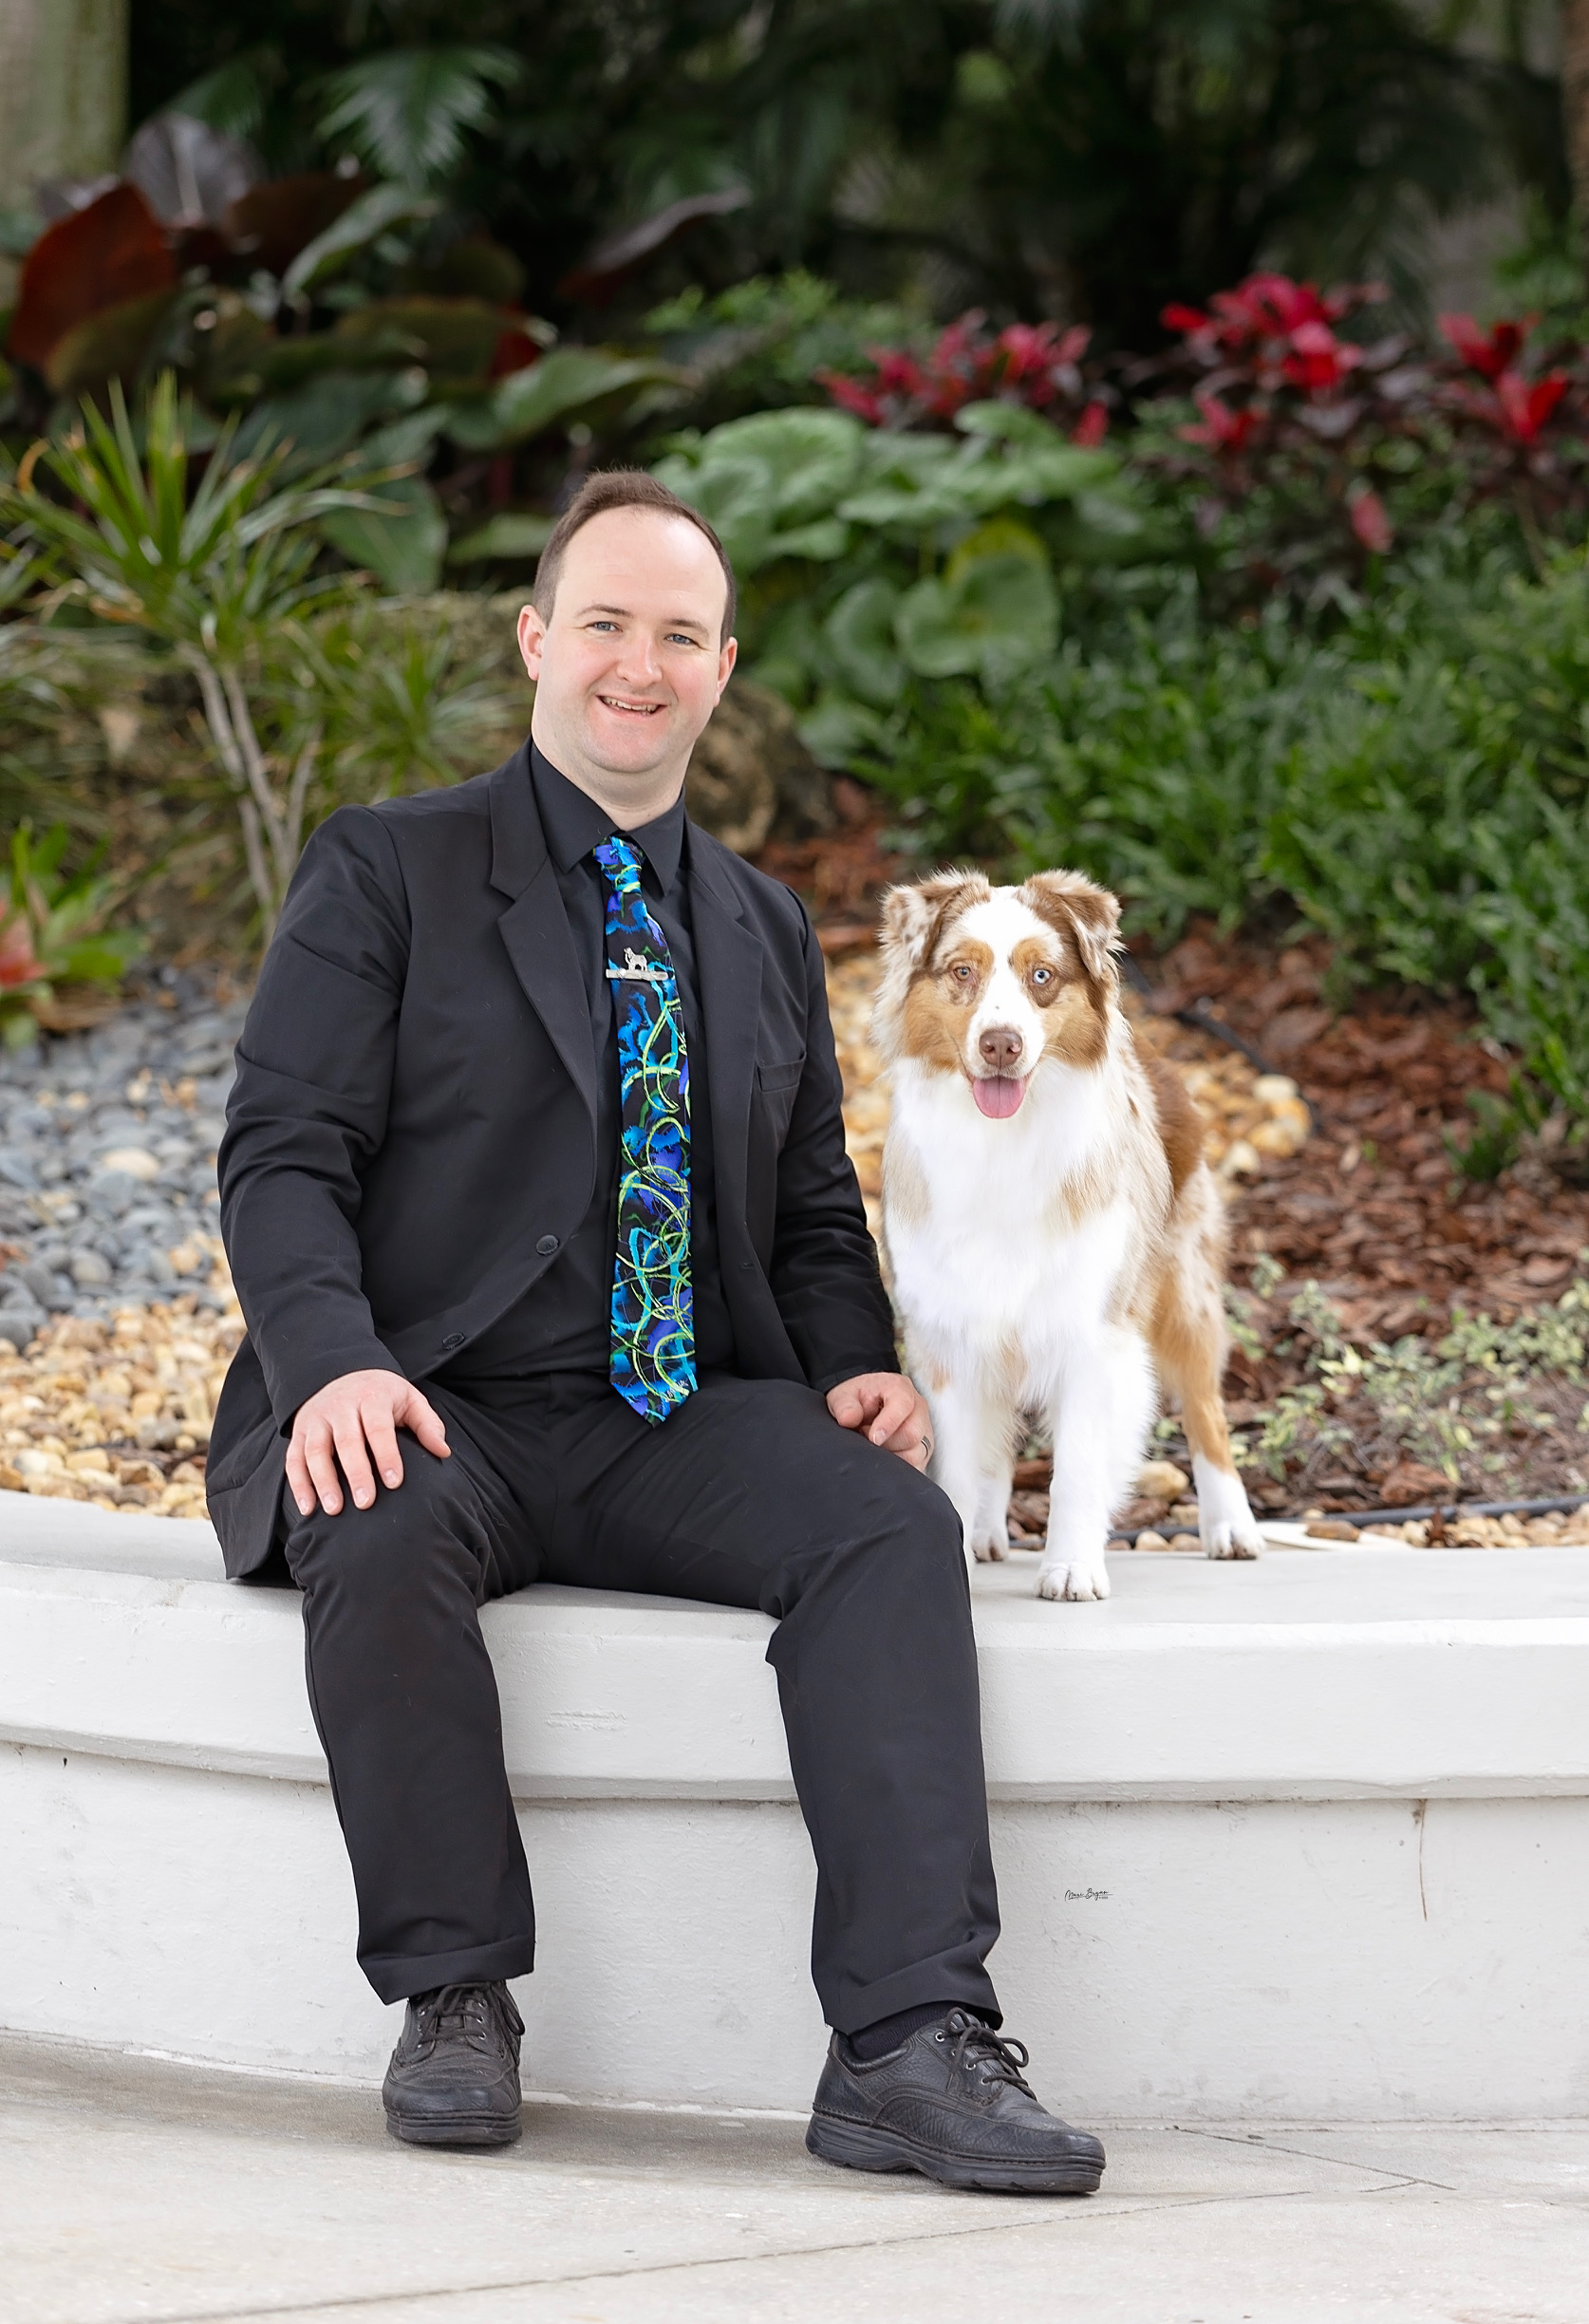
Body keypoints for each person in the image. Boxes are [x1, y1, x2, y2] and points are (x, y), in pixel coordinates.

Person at [208, 468, 1105, 2194]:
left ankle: (908, 2043)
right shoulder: (388, 868)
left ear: (720, 666)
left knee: (879, 1525)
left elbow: (804, 1210)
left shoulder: (757, 921)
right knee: (370, 1516)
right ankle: (452, 1991)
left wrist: (854, 1359)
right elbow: (284, 1151)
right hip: (435, 1393)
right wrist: (331, 1360)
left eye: (677, 635)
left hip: (664, 1411)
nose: (639, 662)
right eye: (605, 622)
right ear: (536, 639)